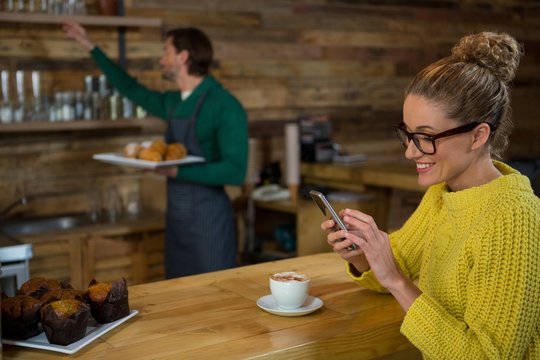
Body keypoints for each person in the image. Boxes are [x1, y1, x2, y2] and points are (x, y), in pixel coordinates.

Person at [321, 31, 540, 359]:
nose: (411, 152)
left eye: (425, 136)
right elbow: (397, 268)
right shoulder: (444, 193)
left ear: (478, 135)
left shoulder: (513, 217)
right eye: (408, 134)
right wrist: (363, 253)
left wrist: (395, 280)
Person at [63, 22, 249, 279]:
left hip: (210, 225)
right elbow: (129, 89)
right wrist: (90, 46)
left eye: (166, 52)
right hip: (177, 223)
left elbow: (235, 171)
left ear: (183, 57)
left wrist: (175, 171)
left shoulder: (225, 105)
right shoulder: (174, 102)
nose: (161, 60)